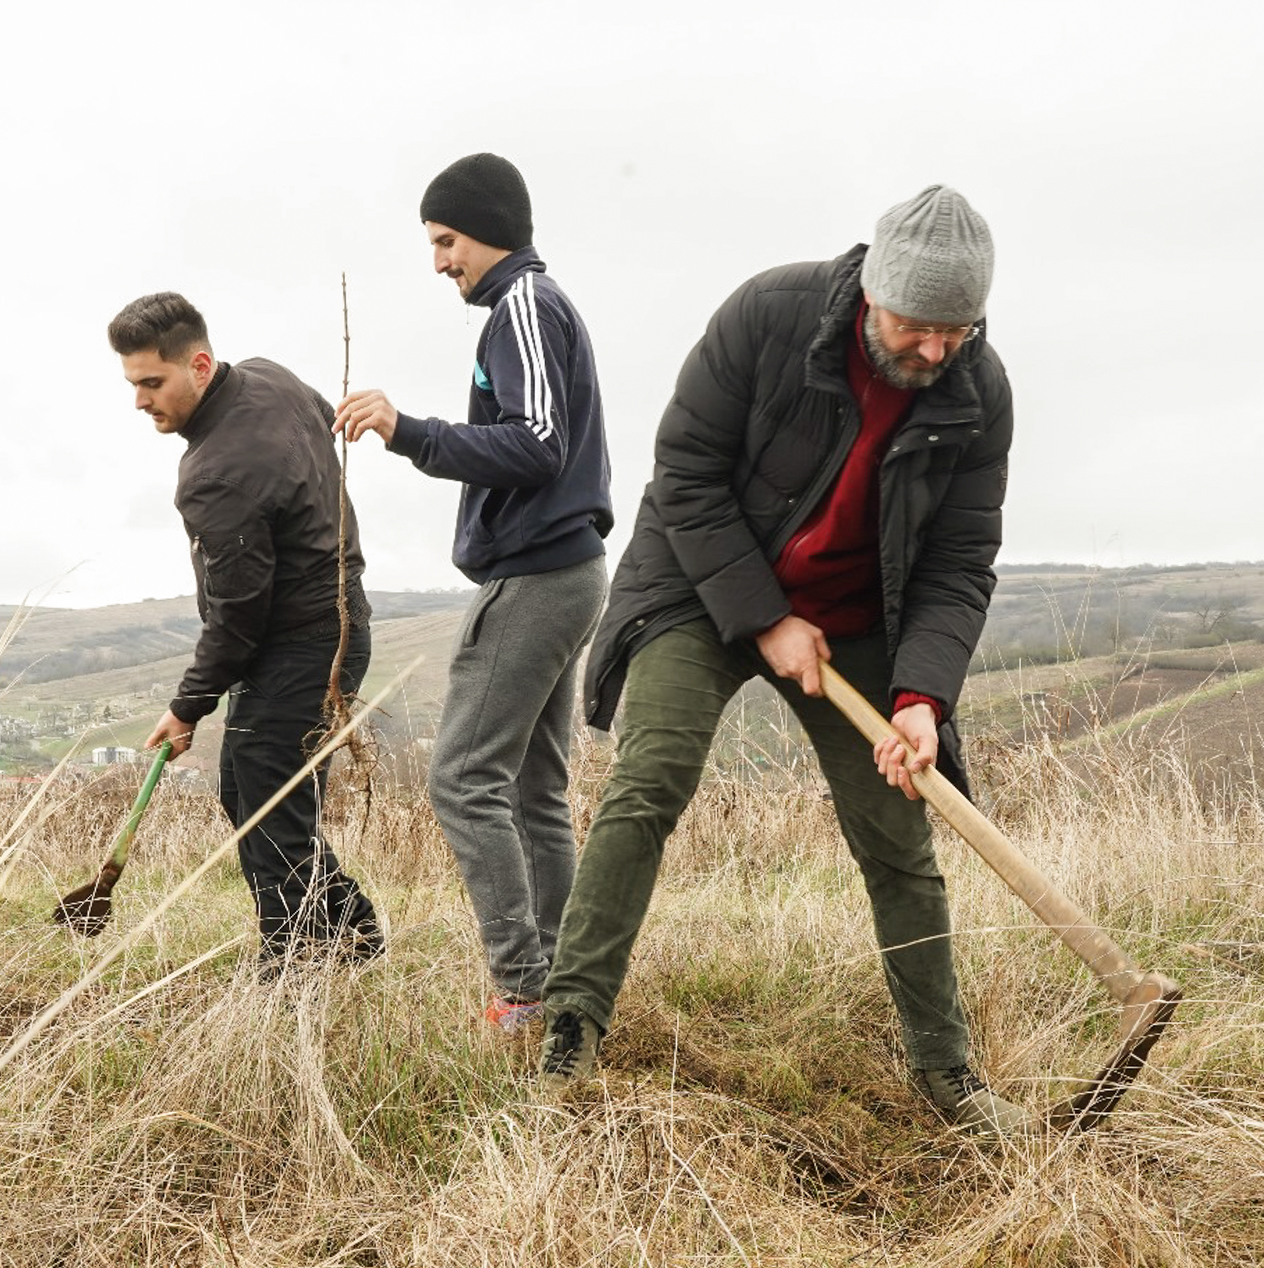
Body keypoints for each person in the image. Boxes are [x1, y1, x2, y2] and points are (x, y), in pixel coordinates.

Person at [537, 185, 1026, 1135]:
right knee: (652, 779)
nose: (936, 351)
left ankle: (949, 1079)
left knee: (899, 834)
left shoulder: (977, 391)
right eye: (920, 327)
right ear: (874, 294)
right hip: (704, 585)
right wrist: (764, 618)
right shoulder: (769, 316)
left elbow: (961, 561)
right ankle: (570, 1031)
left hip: (860, 618)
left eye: (957, 331)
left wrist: (922, 696)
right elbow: (683, 472)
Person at [333, 152, 612, 1029]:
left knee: (460, 777)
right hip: (565, 572)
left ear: (488, 229)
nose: (440, 260)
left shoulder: (523, 307)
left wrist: (406, 429)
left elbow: (538, 443)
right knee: (531, 788)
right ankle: (567, 986)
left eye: (446, 240)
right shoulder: (523, 309)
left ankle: (524, 990)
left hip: (536, 576)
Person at [108, 291, 383, 976]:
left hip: (302, 643)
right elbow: (323, 421)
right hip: (343, 617)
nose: (141, 401)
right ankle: (352, 930)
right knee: (256, 791)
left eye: (152, 382)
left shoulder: (217, 473)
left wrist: (187, 706)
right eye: (133, 383)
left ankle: (293, 966)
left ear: (199, 364)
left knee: (265, 804)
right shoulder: (272, 377)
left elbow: (236, 618)